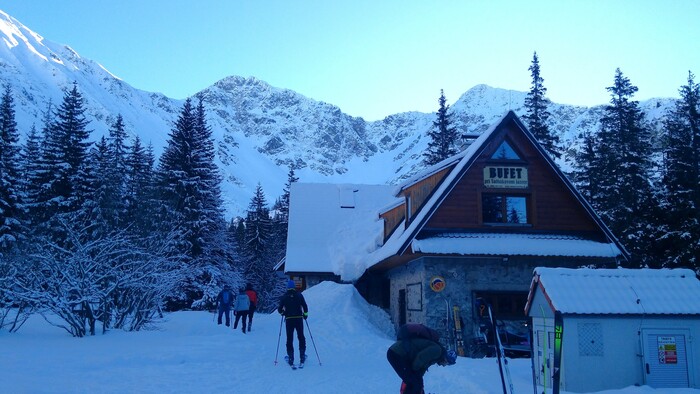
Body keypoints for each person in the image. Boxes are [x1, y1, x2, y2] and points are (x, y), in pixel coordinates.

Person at [386, 324, 457, 394]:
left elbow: (423, 367)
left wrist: (418, 377)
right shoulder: (437, 351)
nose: (444, 365)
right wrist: (415, 372)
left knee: (416, 383)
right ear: (446, 359)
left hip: (401, 355)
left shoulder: (437, 355)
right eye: (448, 363)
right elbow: (420, 358)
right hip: (397, 353)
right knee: (413, 382)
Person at [277, 279, 308, 366]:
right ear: (294, 287)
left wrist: (283, 313)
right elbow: (305, 306)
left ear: (287, 287)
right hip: (298, 319)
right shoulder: (299, 295)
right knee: (301, 337)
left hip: (289, 319)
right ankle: (302, 356)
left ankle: (291, 358)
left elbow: (279, 309)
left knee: (289, 338)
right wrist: (305, 315)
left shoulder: (284, 296)